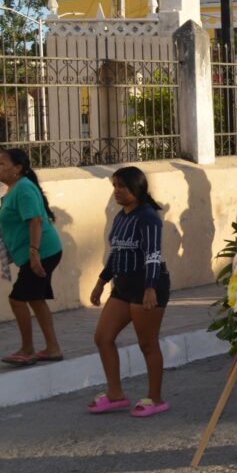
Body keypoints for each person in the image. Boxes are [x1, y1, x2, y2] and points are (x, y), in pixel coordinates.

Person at [88, 166, 172, 417]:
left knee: (147, 343)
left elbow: (153, 254)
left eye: (122, 186)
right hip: (122, 286)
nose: (117, 191)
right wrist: (101, 282)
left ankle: (155, 398)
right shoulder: (121, 216)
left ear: (137, 188)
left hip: (147, 284)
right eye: (114, 186)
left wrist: (150, 288)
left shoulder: (148, 217)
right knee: (103, 337)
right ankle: (115, 394)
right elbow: (117, 253)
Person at [0, 149, 64, 367]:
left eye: (3, 163)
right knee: (35, 298)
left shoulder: (23, 188)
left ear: (18, 168)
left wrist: (34, 253)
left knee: (17, 299)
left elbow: (35, 221)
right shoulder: (15, 189)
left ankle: (27, 349)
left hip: (42, 251)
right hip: (37, 252)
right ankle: (52, 348)